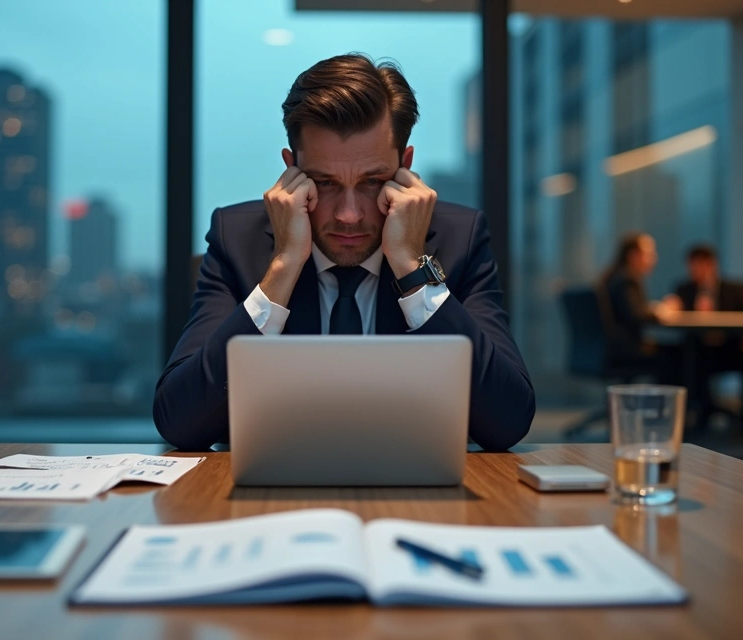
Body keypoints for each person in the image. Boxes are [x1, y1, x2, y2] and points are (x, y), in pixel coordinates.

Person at [153, 54, 536, 452]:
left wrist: (411, 266)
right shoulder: (237, 239)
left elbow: (507, 421)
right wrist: (282, 268)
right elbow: (180, 422)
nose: (349, 215)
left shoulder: (460, 239)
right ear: (291, 169)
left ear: (405, 167)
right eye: (325, 183)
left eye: (373, 182)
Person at [673, 244, 743, 430]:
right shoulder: (684, 289)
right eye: (690, 265)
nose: (693, 270)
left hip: (731, 348)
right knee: (685, 357)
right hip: (700, 349)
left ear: (711, 264)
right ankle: (698, 414)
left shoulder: (737, 289)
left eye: (697, 265)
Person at [599, 233, 674, 364]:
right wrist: (661, 311)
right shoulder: (627, 280)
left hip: (611, 348)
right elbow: (636, 315)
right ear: (633, 256)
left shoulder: (615, 278)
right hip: (627, 348)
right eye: (649, 254)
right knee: (679, 356)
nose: (654, 258)